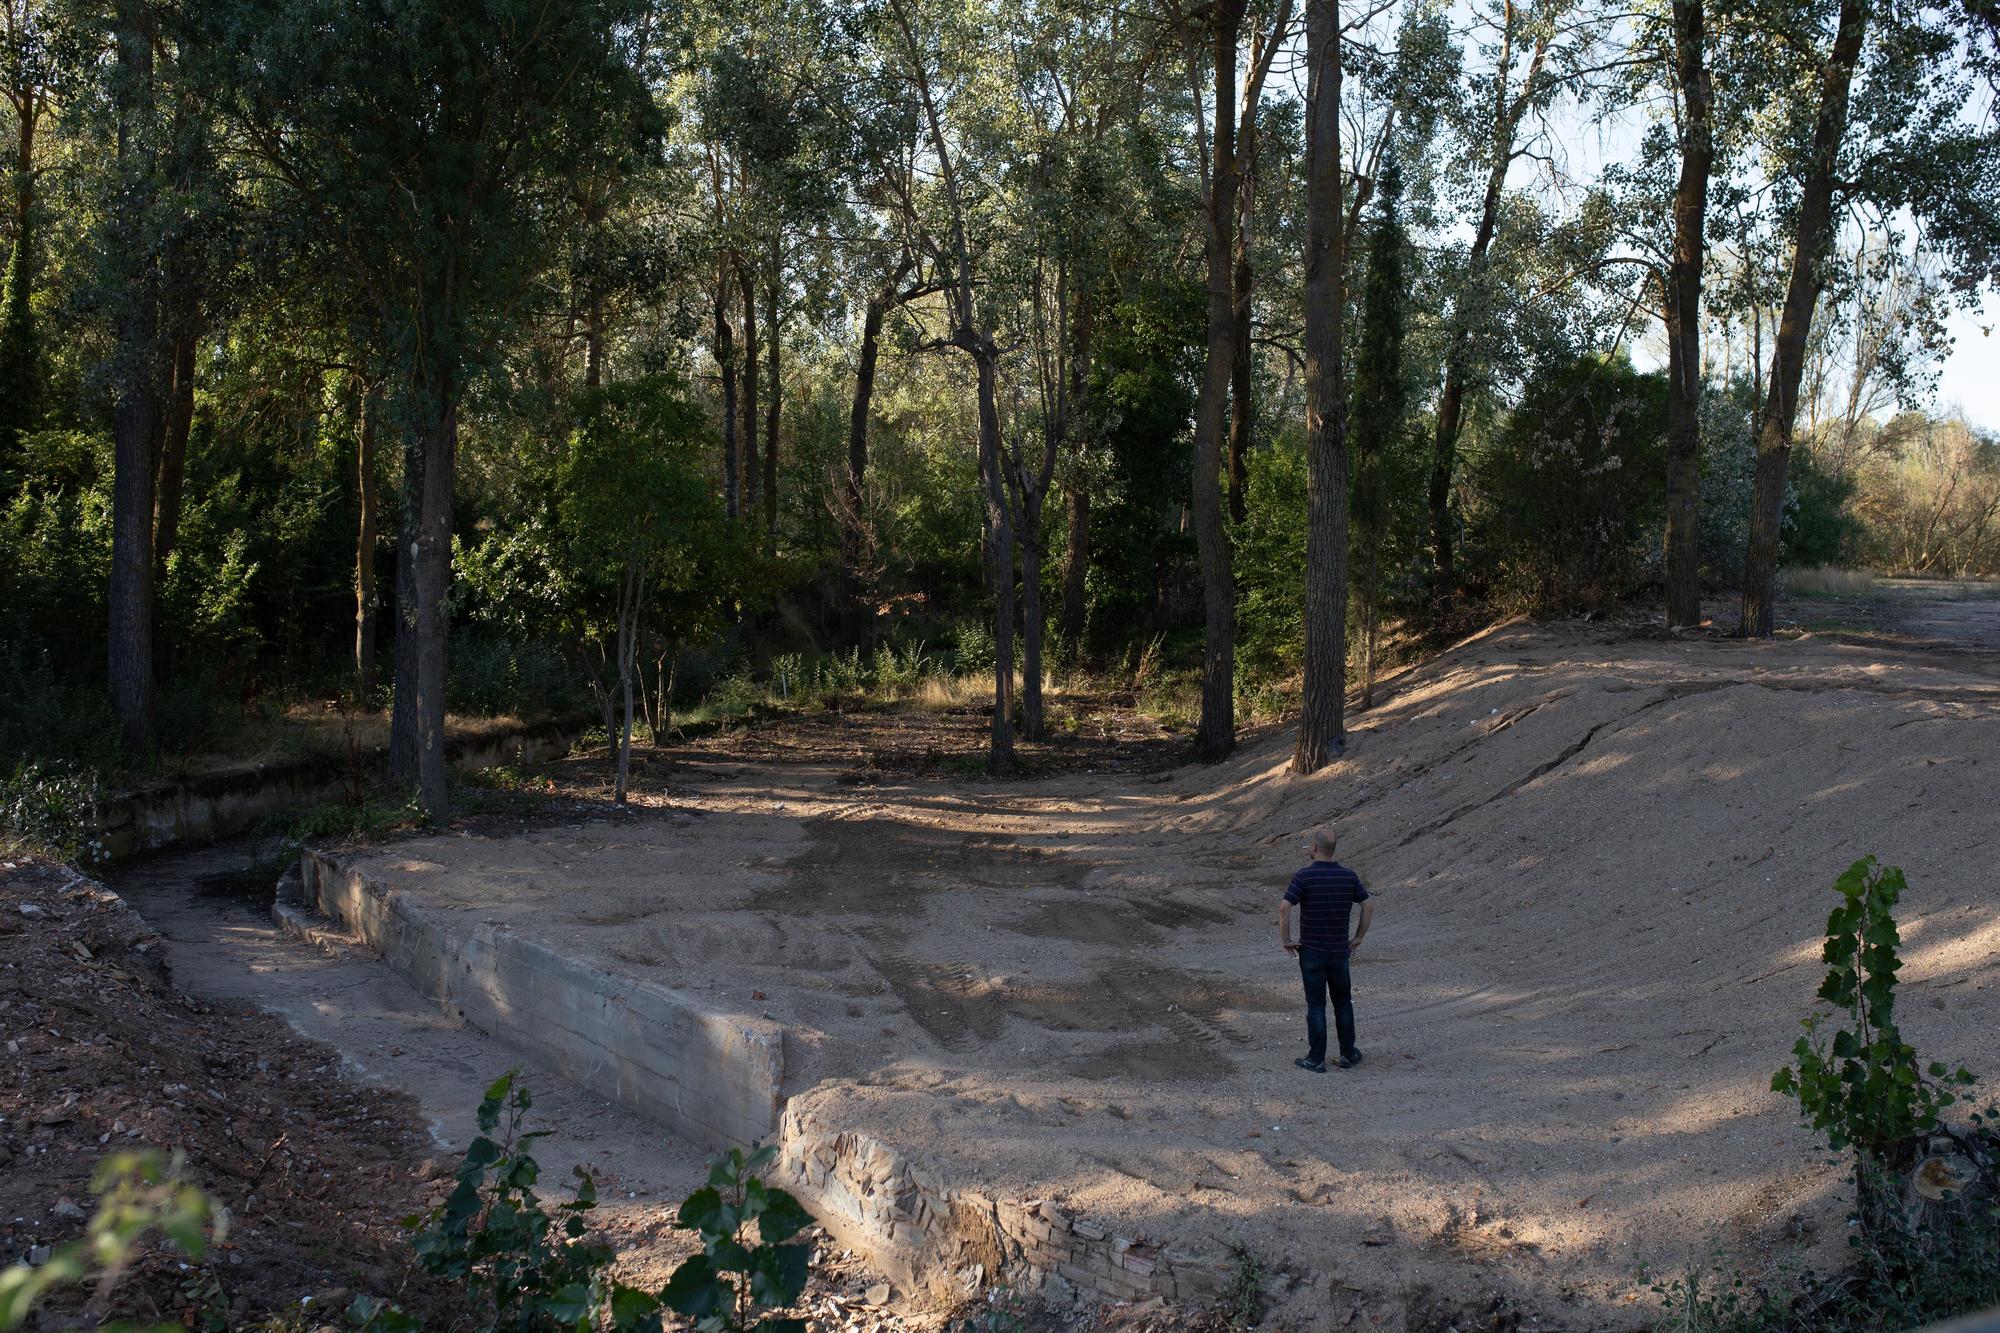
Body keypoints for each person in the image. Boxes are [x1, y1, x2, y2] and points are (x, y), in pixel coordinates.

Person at [1278, 827, 1373, 1073]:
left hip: (1312, 952)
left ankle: (1316, 1058)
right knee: (1343, 1003)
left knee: (1316, 1006)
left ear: (1314, 848)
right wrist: (1358, 937)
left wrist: (1286, 939)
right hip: (1339, 952)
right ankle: (1348, 1053)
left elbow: (1284, 908)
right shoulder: (1348, 877)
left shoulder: (1303, 877)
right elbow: (1369, 906)